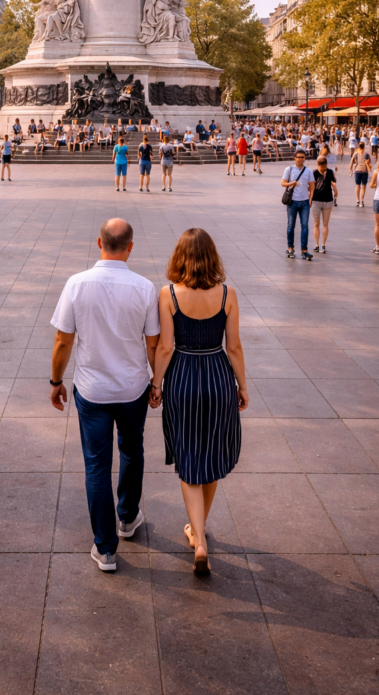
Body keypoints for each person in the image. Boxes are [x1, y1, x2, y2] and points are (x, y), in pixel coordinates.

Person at [49, 218, 160, 572]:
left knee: (96, 465)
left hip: (93, 390)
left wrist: (56, 381)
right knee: (132, 450)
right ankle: (127, 517)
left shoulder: (77, 284)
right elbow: (153, 341)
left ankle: (105, 547)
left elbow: (63, 339)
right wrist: (156, 382)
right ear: (130, 246)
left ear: (99, 242)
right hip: (132, 388)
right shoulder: (145, 288)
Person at [149, 229, 247, 574]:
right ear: (212, 256)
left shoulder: (168, 294)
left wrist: (156, 383)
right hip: (219, 375)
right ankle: (198, 528)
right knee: (213, 453)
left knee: (189, 455)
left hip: (184, 376)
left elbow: (163, 346)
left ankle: (200, 539)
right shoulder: (228, 294)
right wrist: (242, 384)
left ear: (180, 256)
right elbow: (234, 346)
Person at [282, 149, 315, 260]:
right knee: (291, 225)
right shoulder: (289, 169)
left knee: (305, 226)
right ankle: (290, 247)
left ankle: (304, 249)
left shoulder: (308, 171)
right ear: (295, 158)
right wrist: (292, 183)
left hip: (305, 202)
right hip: (292, 201)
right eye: (299, 157)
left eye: (303, 157)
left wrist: (310, 198)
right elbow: (283, 183)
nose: (301, 159)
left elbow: (312, 186)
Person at [312, 156, 338, 253]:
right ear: (318, 165)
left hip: (328, 200)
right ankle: (317, 245)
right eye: (322, 168)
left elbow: (333, 181)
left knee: (325, 224)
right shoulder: (314, 173)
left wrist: (335, 188)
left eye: (325, 167)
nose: (324, 169)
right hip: (316, 200)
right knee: (316, 224)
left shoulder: (330, 172)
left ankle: (323, 245)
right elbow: (310, 186)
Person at [349, 141, 372, 207]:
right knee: (363, 186)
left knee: (357, 186)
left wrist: (350, 170)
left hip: (357, 171)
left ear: (358, 146)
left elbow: (351, 162)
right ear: (364, 147)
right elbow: (369, 163)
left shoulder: (355, 153)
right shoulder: (366, 154)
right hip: (364, 171)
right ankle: (362, 201)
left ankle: (357, 200)